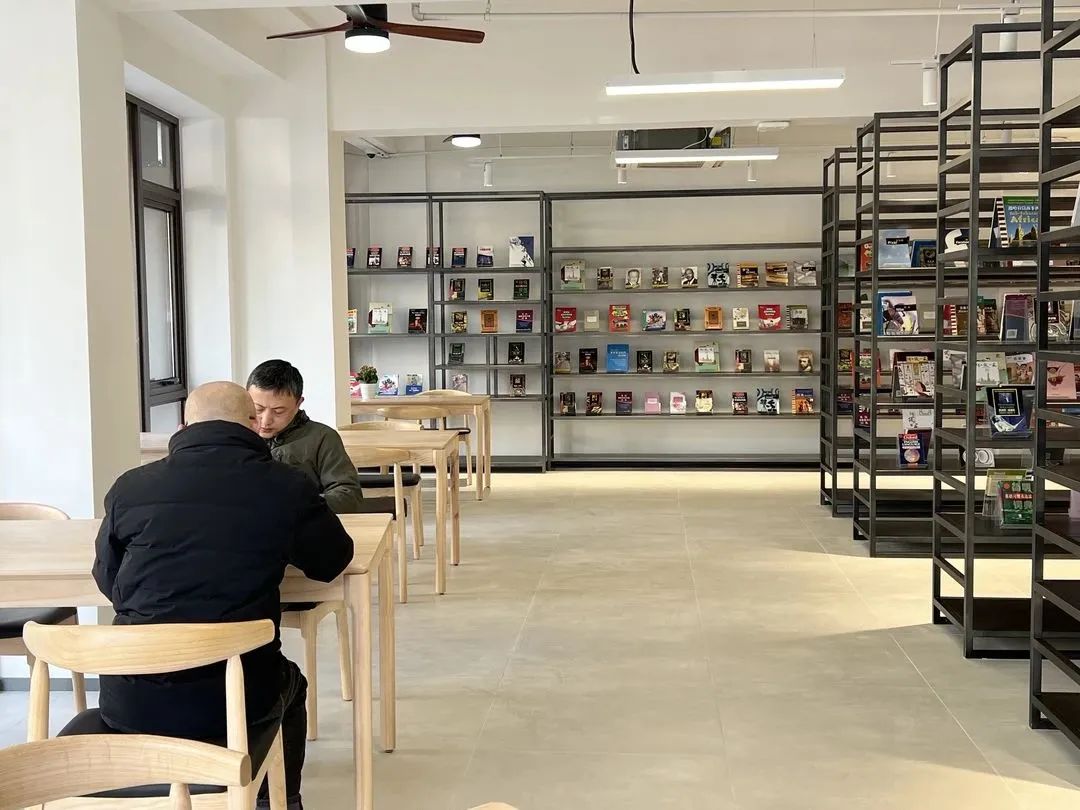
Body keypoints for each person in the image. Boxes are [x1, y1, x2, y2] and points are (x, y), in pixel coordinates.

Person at [93, 381, 353, 810]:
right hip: (236, 699)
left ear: (183, 426)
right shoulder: (285, 486)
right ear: (252, 423)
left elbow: (109, 582)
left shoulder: (131, 487)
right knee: (290, 685)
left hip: (132, 699)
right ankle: (278, 802)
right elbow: (332, 561)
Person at [246, 359, 392, 515]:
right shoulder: (237, 437)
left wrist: (299, 506)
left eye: (279, 411)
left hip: (303, 525)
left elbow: (348, 496)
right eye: (258, 409)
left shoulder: (322, 438)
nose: (266, 420)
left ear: (298, 404)